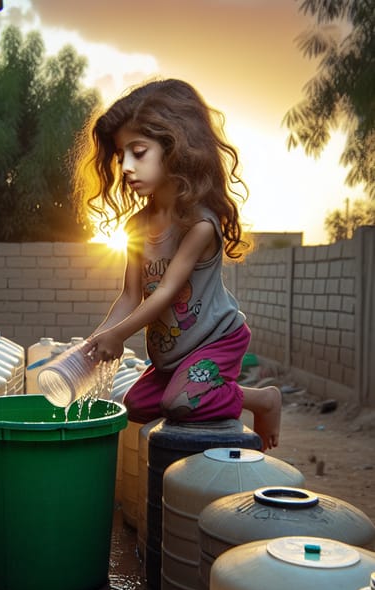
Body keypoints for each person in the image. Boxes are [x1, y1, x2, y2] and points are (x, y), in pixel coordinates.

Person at [73, 78, 281, 450]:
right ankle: (190, 381)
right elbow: (129, 296)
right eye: (121, 155)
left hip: (215, 340)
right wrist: (97, 340)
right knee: (134, 405)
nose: (125, 167)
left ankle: (262, 400)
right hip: (172, 353)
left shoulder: (199, 225)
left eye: (138, 152)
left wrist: (119, 335)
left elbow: (167, 292)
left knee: (180, 403)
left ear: (175, 149)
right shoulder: (136, 225)